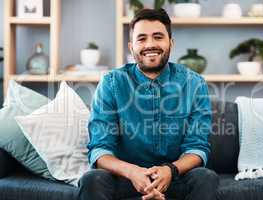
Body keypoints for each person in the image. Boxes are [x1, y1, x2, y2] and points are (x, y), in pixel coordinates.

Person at [79, 8, 219, 200]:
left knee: (206, 177)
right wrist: (132, 172)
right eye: (142, 39)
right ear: (131, 47)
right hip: (126, 179)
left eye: (158, 37)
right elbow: (100, 149)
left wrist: (169, 170)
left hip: (175, 178)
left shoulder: (194, 83)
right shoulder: (111, 83)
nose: (150, 44)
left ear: (171, 42)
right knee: (92, 179)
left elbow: (197, 147)